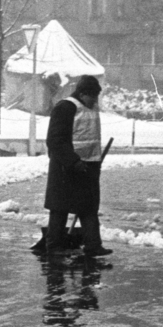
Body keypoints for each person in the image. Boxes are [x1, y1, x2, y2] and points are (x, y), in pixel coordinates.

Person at [32, 74, 111, 258]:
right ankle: (54, 246)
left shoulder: (92, 108)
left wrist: (94, 162)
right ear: (82, 94)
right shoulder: (66, 108)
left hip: (89, 167)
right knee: (60, 208)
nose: (94, 100)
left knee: (89, 208)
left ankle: (93, 245)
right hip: (65, 168)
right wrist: (73, 161)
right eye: (92, 96)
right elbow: (55, 140)